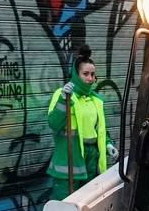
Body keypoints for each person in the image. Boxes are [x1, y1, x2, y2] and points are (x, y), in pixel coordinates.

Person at [46, 55, 108, 197]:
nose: (90, 78)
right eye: (85, 74)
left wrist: (108, 145)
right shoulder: (63, 94)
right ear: (76, 74)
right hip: (69, 164)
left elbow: (100, 130)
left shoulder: (95, 100)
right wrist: (63, 99)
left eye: (92, 74)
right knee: (64, 209)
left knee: (86, 207)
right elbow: (54, 124)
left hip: (91, 160)